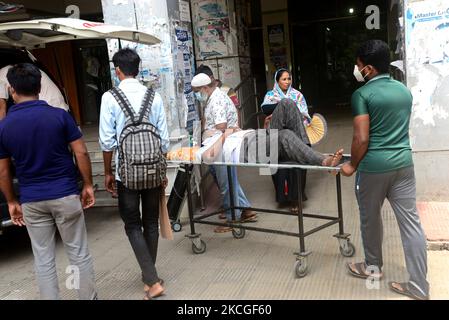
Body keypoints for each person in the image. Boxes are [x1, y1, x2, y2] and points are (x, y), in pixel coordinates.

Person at [341, 40, 429, 300]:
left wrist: (351, 165)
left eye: (358, 66)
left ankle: (373, 268)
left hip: (373, 169)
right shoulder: (404, 90)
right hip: (404, 164)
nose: (357, 70)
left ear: (368, 69)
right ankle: (419, 287)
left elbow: (362, 139)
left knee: (370, 218)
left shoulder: (362, 95)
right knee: (411, 225)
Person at [0, 63, 97, 300]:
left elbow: (3, 171)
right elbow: (81, 153)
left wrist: (12, 201)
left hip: (32, 200)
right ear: (40, 86)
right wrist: (86, 185)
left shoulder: (4, 127)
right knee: (78, 254)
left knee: (43, 259)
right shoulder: (60, 116)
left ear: (12, 90)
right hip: (65, 194)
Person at [99, 48, 169, 300]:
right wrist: (162, 170)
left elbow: (107, 141)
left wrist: (107, 172)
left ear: (117, 70)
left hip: (126, 173)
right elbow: (163, 138)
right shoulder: (154, 96)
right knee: (150, 222)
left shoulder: (110, 97)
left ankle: (151, 280)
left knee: (132, 225)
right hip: (153, 168)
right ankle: (150, 276)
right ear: (137, 69)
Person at [191, 72, 257, 233]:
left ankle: (232, 218)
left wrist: (207, 135)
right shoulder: (215, 97)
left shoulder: (216, 100)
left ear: (205, 88)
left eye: (197, 91)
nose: (197, 95)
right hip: (220, 144)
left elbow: (221, 126)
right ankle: (246, 210)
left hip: (222, 145)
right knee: (228, 180)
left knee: (226, 181)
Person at [261, 68, 311, 208]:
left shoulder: (298, 95)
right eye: (284, 79)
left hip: (296, 135)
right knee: (279, 166)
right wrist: (285, 104)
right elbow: (265, 109)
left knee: (296, 166)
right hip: (277, 136)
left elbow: (304, 114)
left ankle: (296, 199)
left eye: (289, 79)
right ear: (277, 81)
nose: (287, 82)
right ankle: (283, 197)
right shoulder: (270, 95)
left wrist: (284, 109)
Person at [0, 64, 69, 120]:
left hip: (44, 114)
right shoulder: (28, 71)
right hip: (61, 111)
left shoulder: (1, 75)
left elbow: (1, 109)